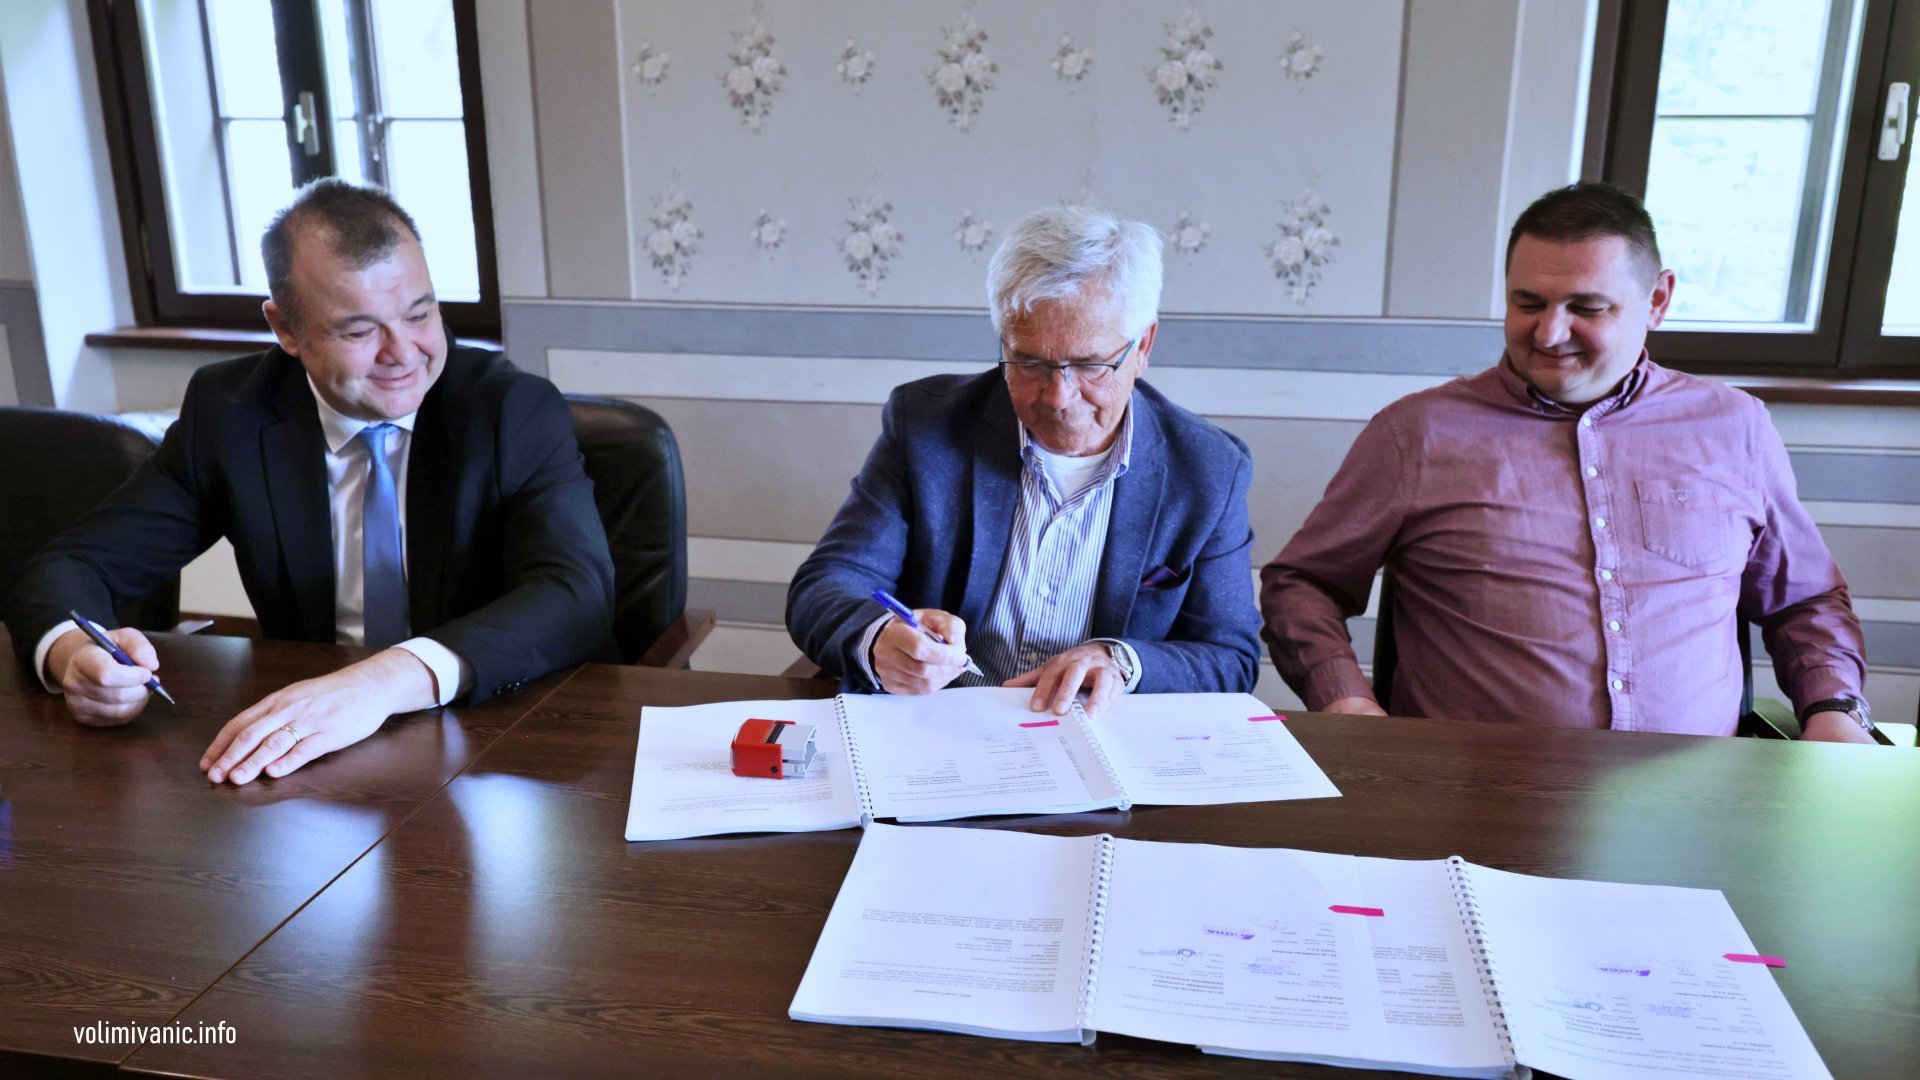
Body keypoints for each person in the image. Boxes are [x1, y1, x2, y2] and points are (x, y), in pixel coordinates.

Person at [4, 178, 617, 782]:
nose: (404, 353)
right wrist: (74, 656)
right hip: (314, 758)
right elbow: (72, 567)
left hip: (502, 745)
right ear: (286, 330)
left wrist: (381, 683)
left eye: (420, 313)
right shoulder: (232, 414)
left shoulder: (509, 409)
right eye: (360, 331)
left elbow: (575, 594)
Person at [1261, 182, 1876, 743]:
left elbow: (1805, 600)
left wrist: (1834, 708)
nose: (1550, 333)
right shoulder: (1417, 433)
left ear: (1658, 300)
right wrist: (1345, 699)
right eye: (1528, 303)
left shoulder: (1735, 427)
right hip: (1473, 796)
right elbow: (1304, 584)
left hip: (1701, 796)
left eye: (1587, 307)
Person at [787, 204, 1260, 717]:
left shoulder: (1208, 470)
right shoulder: (926, 428)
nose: (1058, 396)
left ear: (1142, 345)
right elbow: (826, 585)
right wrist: (878, 638)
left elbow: (1230, 657)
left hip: (1097, 734)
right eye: (1029, 362)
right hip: (938, 726)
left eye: (1089, 365)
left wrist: (1123, 662)